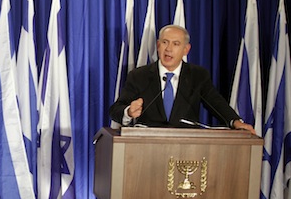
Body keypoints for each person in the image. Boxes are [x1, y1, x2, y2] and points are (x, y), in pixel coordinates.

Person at [109, 24, 256, 134]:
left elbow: (216, 104)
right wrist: (128, 111)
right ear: (158, 45)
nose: (169, 49)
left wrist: (236, 121)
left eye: (176, 44)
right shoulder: (139, 76)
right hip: (148, 146)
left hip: (186, 148)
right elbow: (115, 110)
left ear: (186, 50)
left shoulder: (198, 76)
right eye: (165, 42)